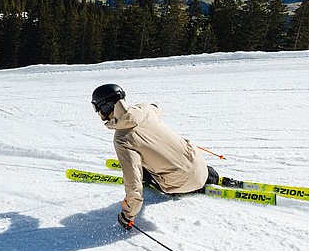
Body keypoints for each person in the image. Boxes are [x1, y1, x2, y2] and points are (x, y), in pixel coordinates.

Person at [90, 83, 220, 230]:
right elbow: (156, 107)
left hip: (179, 183)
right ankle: (209, 176)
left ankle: (186, 185)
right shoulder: (144, 109)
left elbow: (134, 184)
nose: (97, 113)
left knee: (142, 172)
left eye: (96, 108)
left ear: (105, 107)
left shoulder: (122, 139)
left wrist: (128, 215)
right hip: (198, 161)